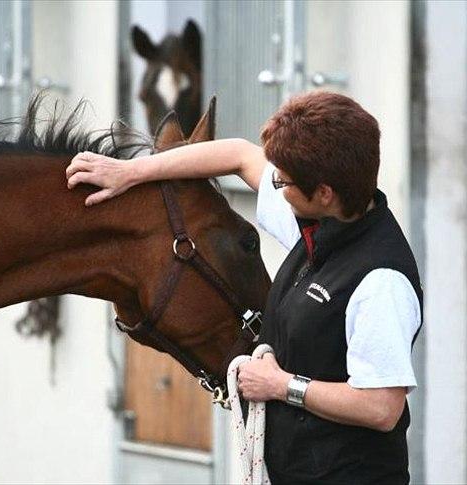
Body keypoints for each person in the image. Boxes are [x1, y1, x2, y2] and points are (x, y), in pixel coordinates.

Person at [65, 91, 422, 484]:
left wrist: (281, 385)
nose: (273, 183)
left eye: (282, 181)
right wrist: (130, 172)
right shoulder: (317, 225)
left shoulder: (381, 281)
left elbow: (380, 407)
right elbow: (238, 155)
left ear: (324, 193)